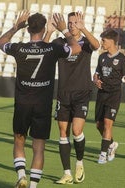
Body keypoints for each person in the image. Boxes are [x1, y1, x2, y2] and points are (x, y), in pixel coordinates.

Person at [0, 11, 81, 188]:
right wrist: (64, 29)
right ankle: (33, 186)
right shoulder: (52, 49)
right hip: (42, 105)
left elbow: (1, 42)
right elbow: (77, 48)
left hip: (23, 102)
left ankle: (21, 176)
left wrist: (15, 27)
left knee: (19, 140)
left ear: (28, 29)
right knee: (39, 147)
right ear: (44, 29)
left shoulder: (19, 48)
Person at [44, 12, 100, 184]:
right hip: (63, 93)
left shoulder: (85, 43)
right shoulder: (60, 43)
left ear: (80, 23)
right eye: (69, 23)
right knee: (63, 132)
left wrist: (85, 29)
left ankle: (80, 163)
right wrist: (49, 31)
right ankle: (67, 173)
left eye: (75, 22)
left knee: (76, 130)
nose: (72, 25)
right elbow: (43, 50)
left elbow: (97, 45)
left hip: (82, 92)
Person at [93, 28, 125, 164]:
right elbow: (96, 74)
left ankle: (103, 154)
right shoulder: (102, 57)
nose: (102, 43)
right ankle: (111, 144)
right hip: (101, 95)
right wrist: (95, 79)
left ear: (112, 41)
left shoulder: (123, 59)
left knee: (107, 124)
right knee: (99, 125)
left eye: (104, 40)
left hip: (114, 95)